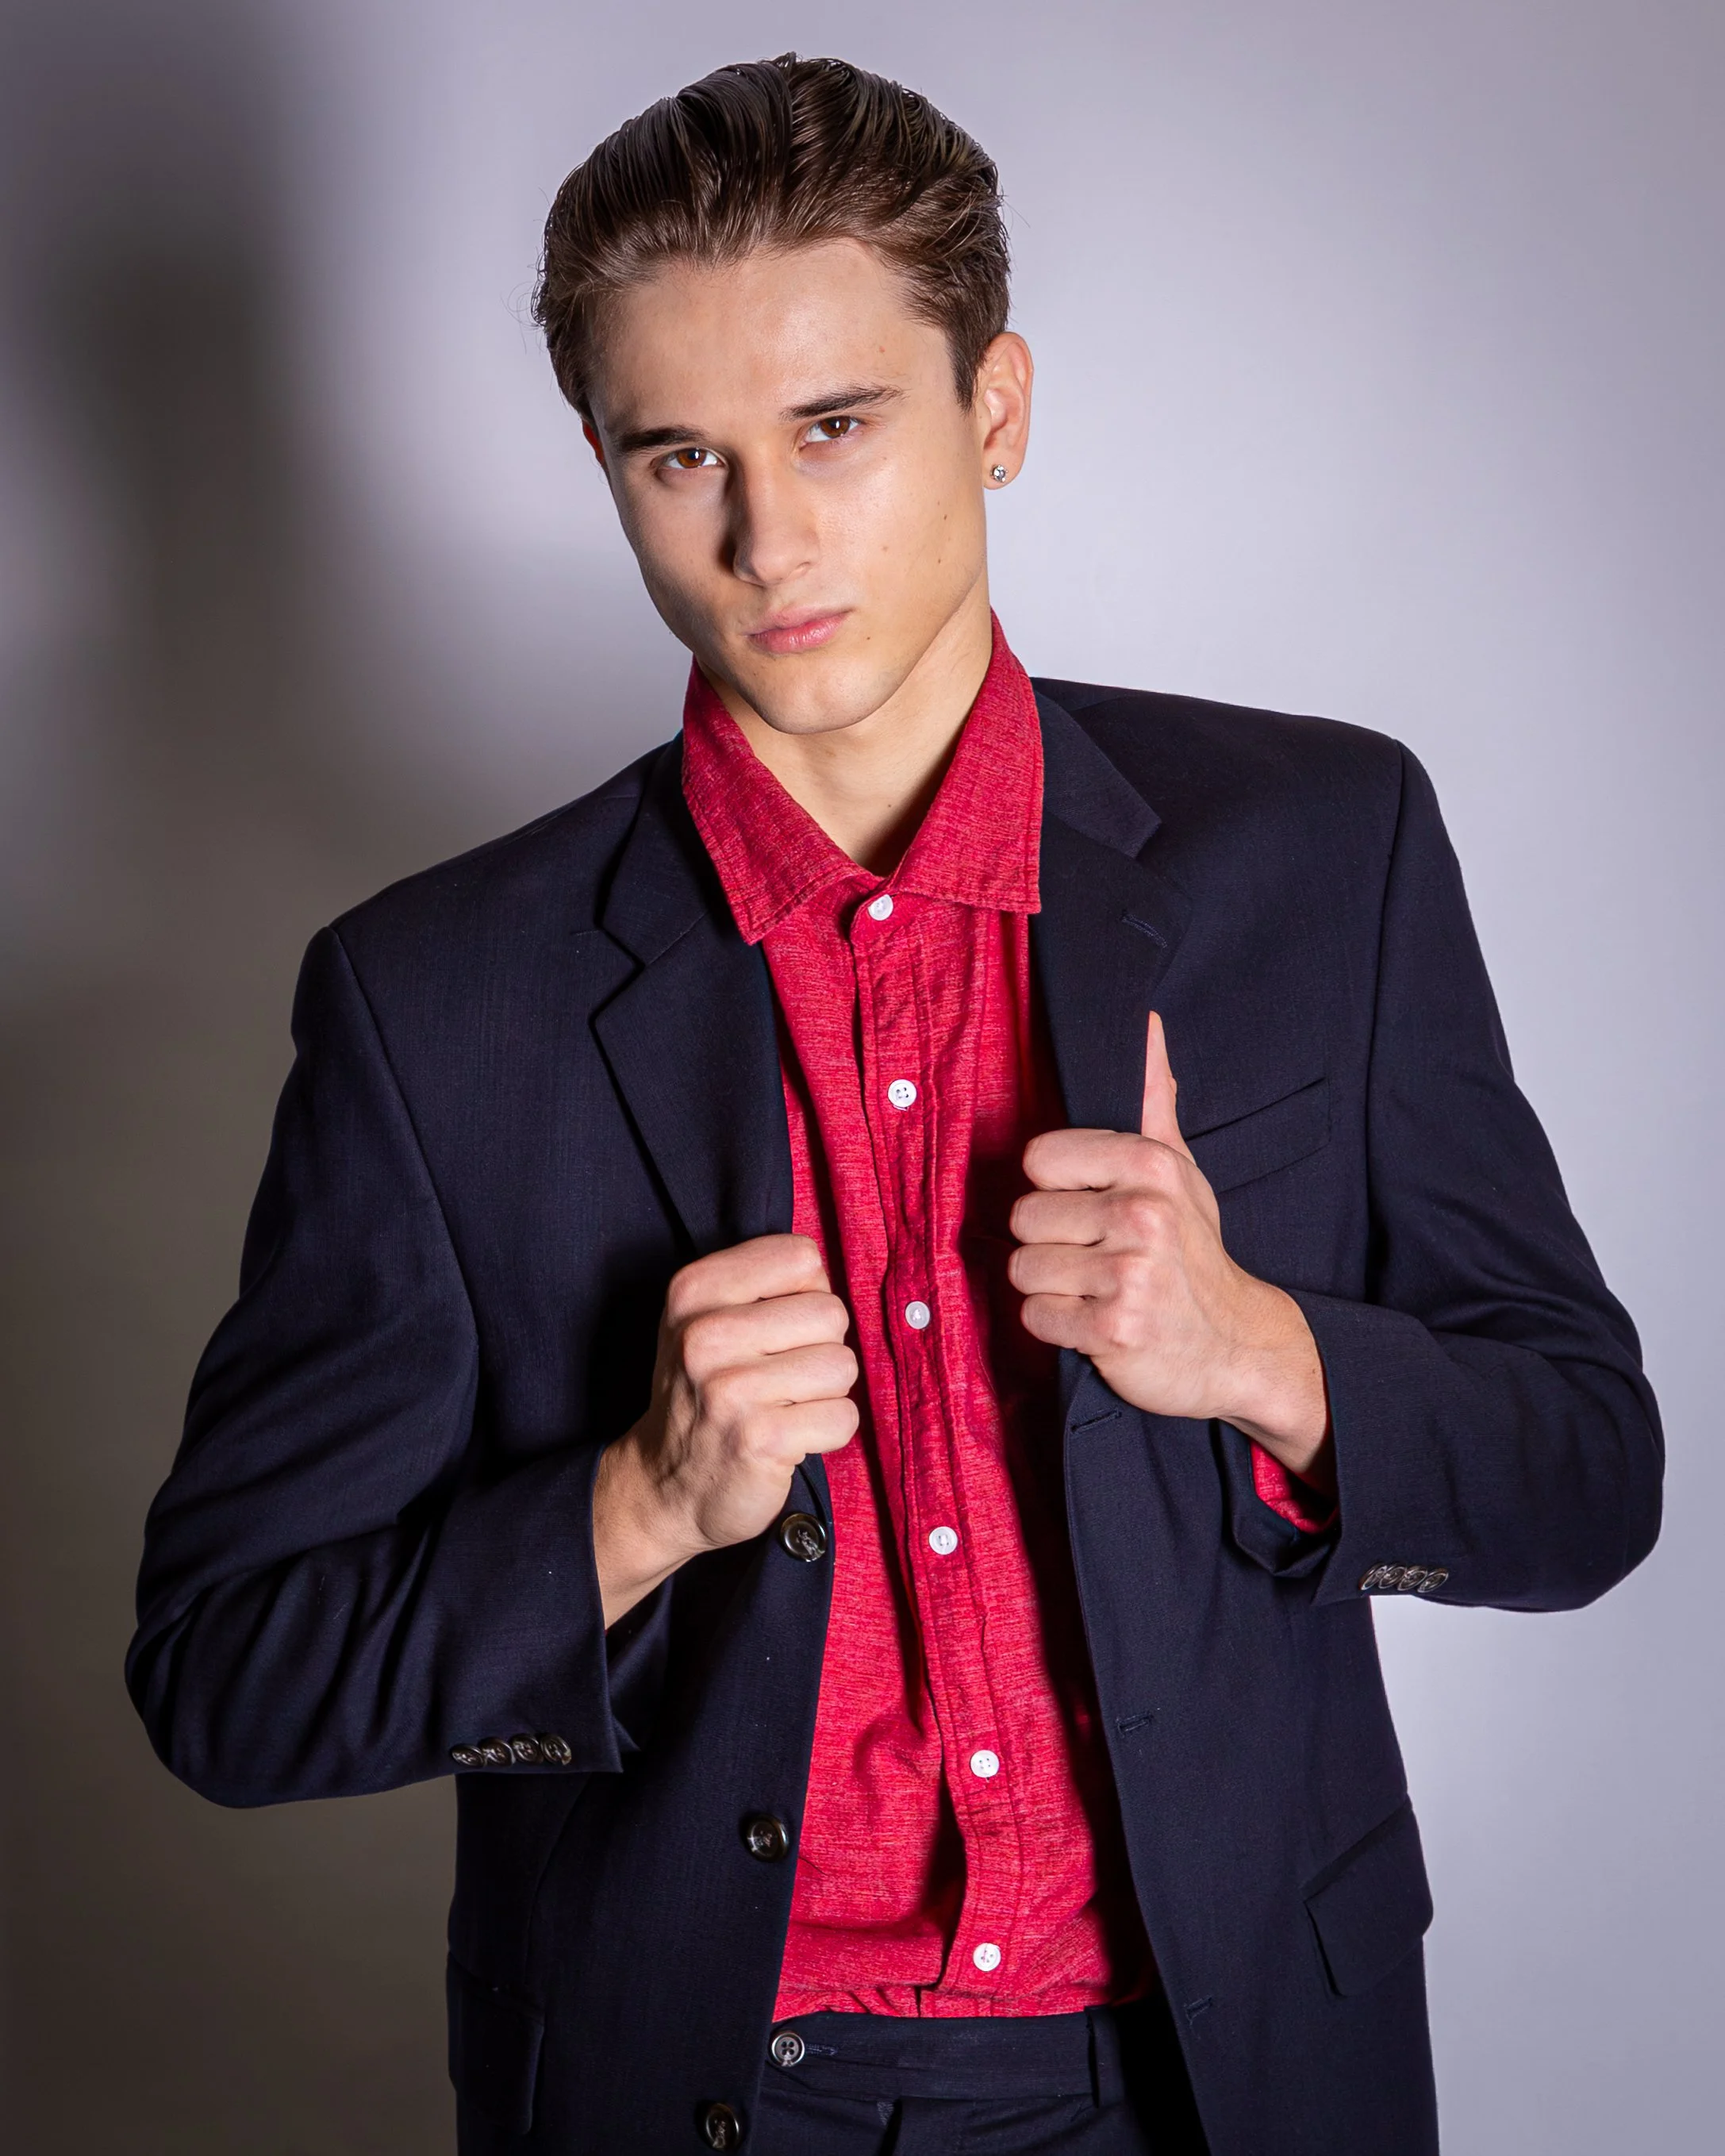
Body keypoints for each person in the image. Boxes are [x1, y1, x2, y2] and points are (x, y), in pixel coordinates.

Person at [127, 52, 1662, 2156]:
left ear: (993, 407)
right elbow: (229, 1673)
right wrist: (634, 1507)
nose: (764, 537)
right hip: (713, 2093)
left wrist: (1261, 1354)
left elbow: (1587, 1477)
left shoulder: (1326, 851)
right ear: (600, 459)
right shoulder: (433, 1000)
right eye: (681, 456)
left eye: (833, 426)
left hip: (1230, 2071)